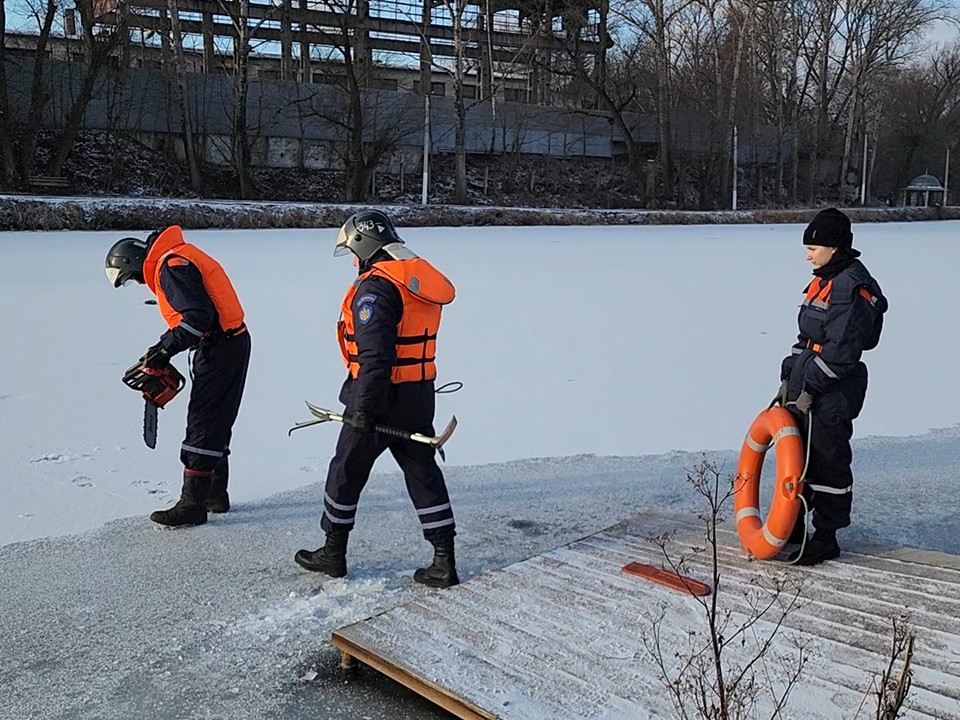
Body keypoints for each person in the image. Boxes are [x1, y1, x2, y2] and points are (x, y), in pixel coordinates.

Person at [294, 209, 460, 588]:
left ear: (364, 246)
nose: (353, 261)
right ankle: (443, 559)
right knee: (423, 473)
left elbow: (376, 358)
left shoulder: (375, 289)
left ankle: (333, 552)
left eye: (353, 251)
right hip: (418, 395)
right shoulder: (415, 283)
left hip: (378, 394)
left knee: (345, 470)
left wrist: (365, 409)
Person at [105, 226, 251, 527]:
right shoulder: (176, 256)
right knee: (216, 418)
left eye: (131, 277)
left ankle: (192, 505)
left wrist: (164, 349)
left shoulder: (170, 266)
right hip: (227, 342)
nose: (136, 281)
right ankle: (214, 495)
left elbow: (197, 317)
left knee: (204, 420)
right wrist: (165, 348)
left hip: (220, 346)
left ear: (132, 263)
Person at [776, 208, 887, 565]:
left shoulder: (850, 286)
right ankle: (792, 524)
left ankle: (826, 536)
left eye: (814, 245)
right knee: (797, 457)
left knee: (827, 458)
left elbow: (841, 353)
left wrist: (812, 389)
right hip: (805, 378)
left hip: (834, 389)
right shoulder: (822, 280)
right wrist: (788, 376)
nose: (807, 253)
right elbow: (807, 335)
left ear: (835, 247)